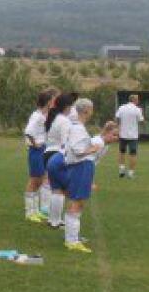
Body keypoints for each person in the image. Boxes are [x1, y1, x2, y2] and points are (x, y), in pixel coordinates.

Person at [60, 101, 116, 253]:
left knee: (78, 203)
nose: (92, 112)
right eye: (91, 109)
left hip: (81, 166)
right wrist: (91, 150)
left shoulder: (78, 126)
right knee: (77, 203)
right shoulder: (78, 127)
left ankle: (72, 237)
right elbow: (78, 149)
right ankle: (72, 241)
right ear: (86, 110)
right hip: (81, 166)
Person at [44, 92, 79, 228]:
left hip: (48, 154)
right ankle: (56, 220)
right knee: (62, 189)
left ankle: (53, 219)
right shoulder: (64, 121)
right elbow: (65, 143)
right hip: (58, 155)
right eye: (71, 106)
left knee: (56, 189)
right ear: (66, 106)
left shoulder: (54, 118)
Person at [23, 89, 56, 222]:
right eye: (52, 101)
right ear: (48, 102)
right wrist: (35, 144)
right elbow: (28, 131)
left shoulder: (43, 115)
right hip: (37, 151)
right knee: (34, 181)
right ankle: (29, 212)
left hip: (43, 149)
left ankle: (36, 211)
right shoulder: (37, 116)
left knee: (40, 181)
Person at [115, 93, 145, 178]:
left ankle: (121, 170)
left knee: (122, 152)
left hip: (122, 134)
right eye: (137, 99)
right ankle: (131, 173)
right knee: (133, 154)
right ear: (134, 100)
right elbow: (142, 121)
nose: (138, 101)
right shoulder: (137, 109)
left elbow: (117, 118)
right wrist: (142, 115)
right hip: (133, 136)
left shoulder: (121, 107)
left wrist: (118, 127)